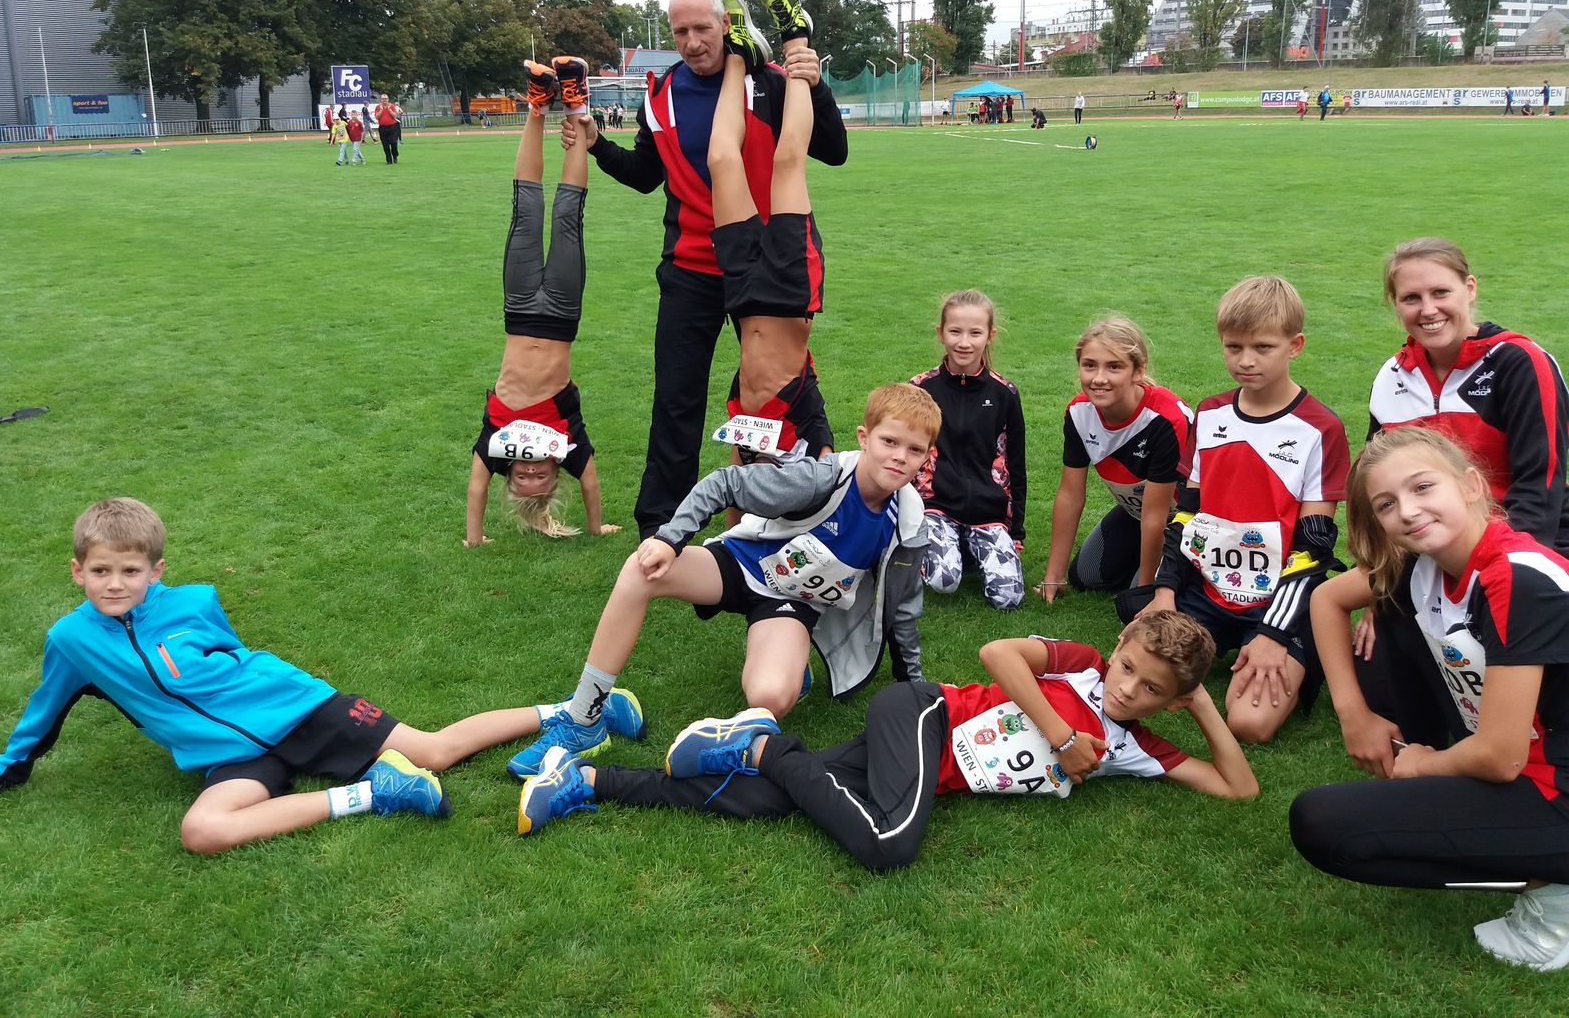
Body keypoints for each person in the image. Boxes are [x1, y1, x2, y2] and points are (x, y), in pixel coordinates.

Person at [0, 498, 648, 854]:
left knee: (436, 749)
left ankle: (582, 709)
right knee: (202, 832)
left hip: (298, 709)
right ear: (77, 571)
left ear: (156, 570)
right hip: (233, 757)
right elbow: (41, 716)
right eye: (100, 571)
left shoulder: (193, 602)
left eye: (130, 571)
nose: (115, 584)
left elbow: (234, 654)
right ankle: (377, 794)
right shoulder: (72, 642)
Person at [517, 610, 1260, 867]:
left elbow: (1239, 788)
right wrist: (1063, 733)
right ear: (1120, 645)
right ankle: (761, 743)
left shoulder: (1139, 748)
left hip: (923, 765)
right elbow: (999, 654)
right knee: (888, 844)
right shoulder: (1085, 666)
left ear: (1169, 702)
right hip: (922, 714)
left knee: (771, 803)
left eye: (1152, 691)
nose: (1128, 690)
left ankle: (582, 779)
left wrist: (1201, 705)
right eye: (1130, 667)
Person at [504, 383, 941, 779]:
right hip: (739, 565)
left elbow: (903, 607)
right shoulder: (821, 478)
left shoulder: (906, 521)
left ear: (926, 457)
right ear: (864, 438)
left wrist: (914, 688)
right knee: (641, 569)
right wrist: (670, 540)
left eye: (914, 450)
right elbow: (725, 483)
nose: (899, 457)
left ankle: (789, 665)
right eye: (888, 441)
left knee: (770, 697)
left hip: (791, 604)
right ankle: (585, 717)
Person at [563, 0, 846, 537]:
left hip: (770, 260)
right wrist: (598, 144)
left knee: (778, 382)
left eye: (702, 28)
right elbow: (646, 175)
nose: (692, 42)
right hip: (692, 265)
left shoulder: (769, 80)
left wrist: (814, 84)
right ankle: (660, 526)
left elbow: (832, 150)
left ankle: (803, 500)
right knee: (676, 398)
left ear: (725, 25)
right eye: (680, 31)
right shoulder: (661, 94)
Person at [1292, 427, 1569, 970]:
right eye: (1386, 504)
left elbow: (1500, 757)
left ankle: (1553, 887)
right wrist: (1354, 715)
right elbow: (1325, 599)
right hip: (1519, 763)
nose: (1408, 511)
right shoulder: (1422, 565)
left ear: (1471, 485)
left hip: (1545, 779)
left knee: (1325, 825)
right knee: (1397, 611)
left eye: (1423, 487)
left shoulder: (1518, 579)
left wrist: (1424, 764)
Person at [1124, 276, 1349, 743]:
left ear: (1295, 345)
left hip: (1277, 598)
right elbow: (1186, 516)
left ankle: (1305, 643)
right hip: (1207, 591)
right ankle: (1209, 635)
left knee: (1249, 723)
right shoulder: (1210, 414)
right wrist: (1164, 592)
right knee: (1133, 664)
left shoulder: (1320, 428)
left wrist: (1273, 633)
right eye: (1234, 347)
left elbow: (1313, 548)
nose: (1246, 361)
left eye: (1263, 347)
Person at [465, 57, 621, 547]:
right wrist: (595, 526)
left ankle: (536, 103)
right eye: (540, 477)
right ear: (556, 474)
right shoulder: (567, 441)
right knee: (568, 216)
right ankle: (574, 101)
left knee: (526, 211)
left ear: (509, 473)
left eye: (523, 476)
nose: (531, 470)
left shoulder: (496, 441)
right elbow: (590, 483)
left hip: (518, 310)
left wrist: (475, 538)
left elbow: (475, 488)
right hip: (560, 313)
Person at [703, 0, 834, 467]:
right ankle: (796, 34)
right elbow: (833, 474)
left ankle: (738, 52)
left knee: (721, 160)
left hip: (741, 295)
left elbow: (732, 492)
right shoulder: (808, 435)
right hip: (789, 291)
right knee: (787, 161)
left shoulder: (742, 440)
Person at [1367, 238, 1568, 553]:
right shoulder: (1392, 376)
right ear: (1395, 303)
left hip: (1528, 546)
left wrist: (1500, 564)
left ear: (1470, 288)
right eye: (1411, 298)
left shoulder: (1519, 363)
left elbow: (1538, 487)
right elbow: (1377, 484)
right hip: (1432, 547)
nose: (1428, 309)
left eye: (1441, 292)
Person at [1040, 317, 1191, 605]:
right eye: (1089, 365)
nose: (1099, 378)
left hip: (1186, 523)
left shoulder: (1166, 420)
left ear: (1138, 370)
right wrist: (1053, 573)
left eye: (1114, 367)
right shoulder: (1078, 412)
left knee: (1140, 591)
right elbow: (1070, 494)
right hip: (1138, 513)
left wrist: (1143, 592)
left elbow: (1156, 515)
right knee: (1085, 577)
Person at [909, 289, 1027, 610]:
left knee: (1008, 598)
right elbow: (902, 456)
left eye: (975, 333)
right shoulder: (920, 389)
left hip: (987, 512)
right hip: (935, 506)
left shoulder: (1005, 394)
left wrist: (1015, 532)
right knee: (944, 580)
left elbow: (1016, 465)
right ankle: (937, 543)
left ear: (990, 336)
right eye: (955, 331)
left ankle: (969, 545)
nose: (964, 342)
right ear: (941, 333)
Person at [374, 92, 402, 164]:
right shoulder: (378, 107)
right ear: (381, 100)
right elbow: (377, 117)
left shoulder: (391, 106)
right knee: (385, 145)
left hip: (392, 127)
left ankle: (395, 156)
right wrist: (381, 110)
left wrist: (389, 110)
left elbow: (395, 116)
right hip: (383, 128)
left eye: (385, 99)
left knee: (394, 142)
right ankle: (389, 160)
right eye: (383, 99)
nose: (384, 100)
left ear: (388, 99)